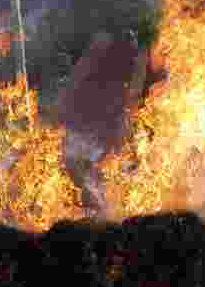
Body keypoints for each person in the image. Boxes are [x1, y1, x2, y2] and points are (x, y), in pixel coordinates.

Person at [57, 30, 149, 213]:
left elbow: (130, 102)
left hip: (95, 141)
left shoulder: (118, 87)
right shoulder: (99, 77)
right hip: (87, 138)